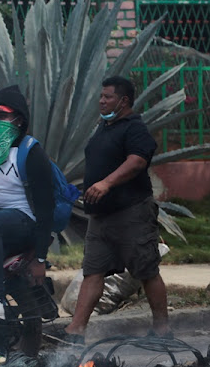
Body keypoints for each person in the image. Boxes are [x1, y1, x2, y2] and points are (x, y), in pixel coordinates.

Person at [60, 76, 170, 344]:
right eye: (101, 96)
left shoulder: (134, 128)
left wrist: (107, 183)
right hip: (100, 216)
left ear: (123, 101)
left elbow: (137, 161)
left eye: (107, 97)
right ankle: (76, 331)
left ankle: (162, 330)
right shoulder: (104, 127)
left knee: (146, 270)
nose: (101, 101)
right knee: (93, 271)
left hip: (132, 213)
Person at [0, 85, 54, 318]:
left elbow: (46, 206)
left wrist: (40, 258)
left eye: (3, 116)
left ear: (18, 120)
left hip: (22, 218)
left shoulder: (30, 152)